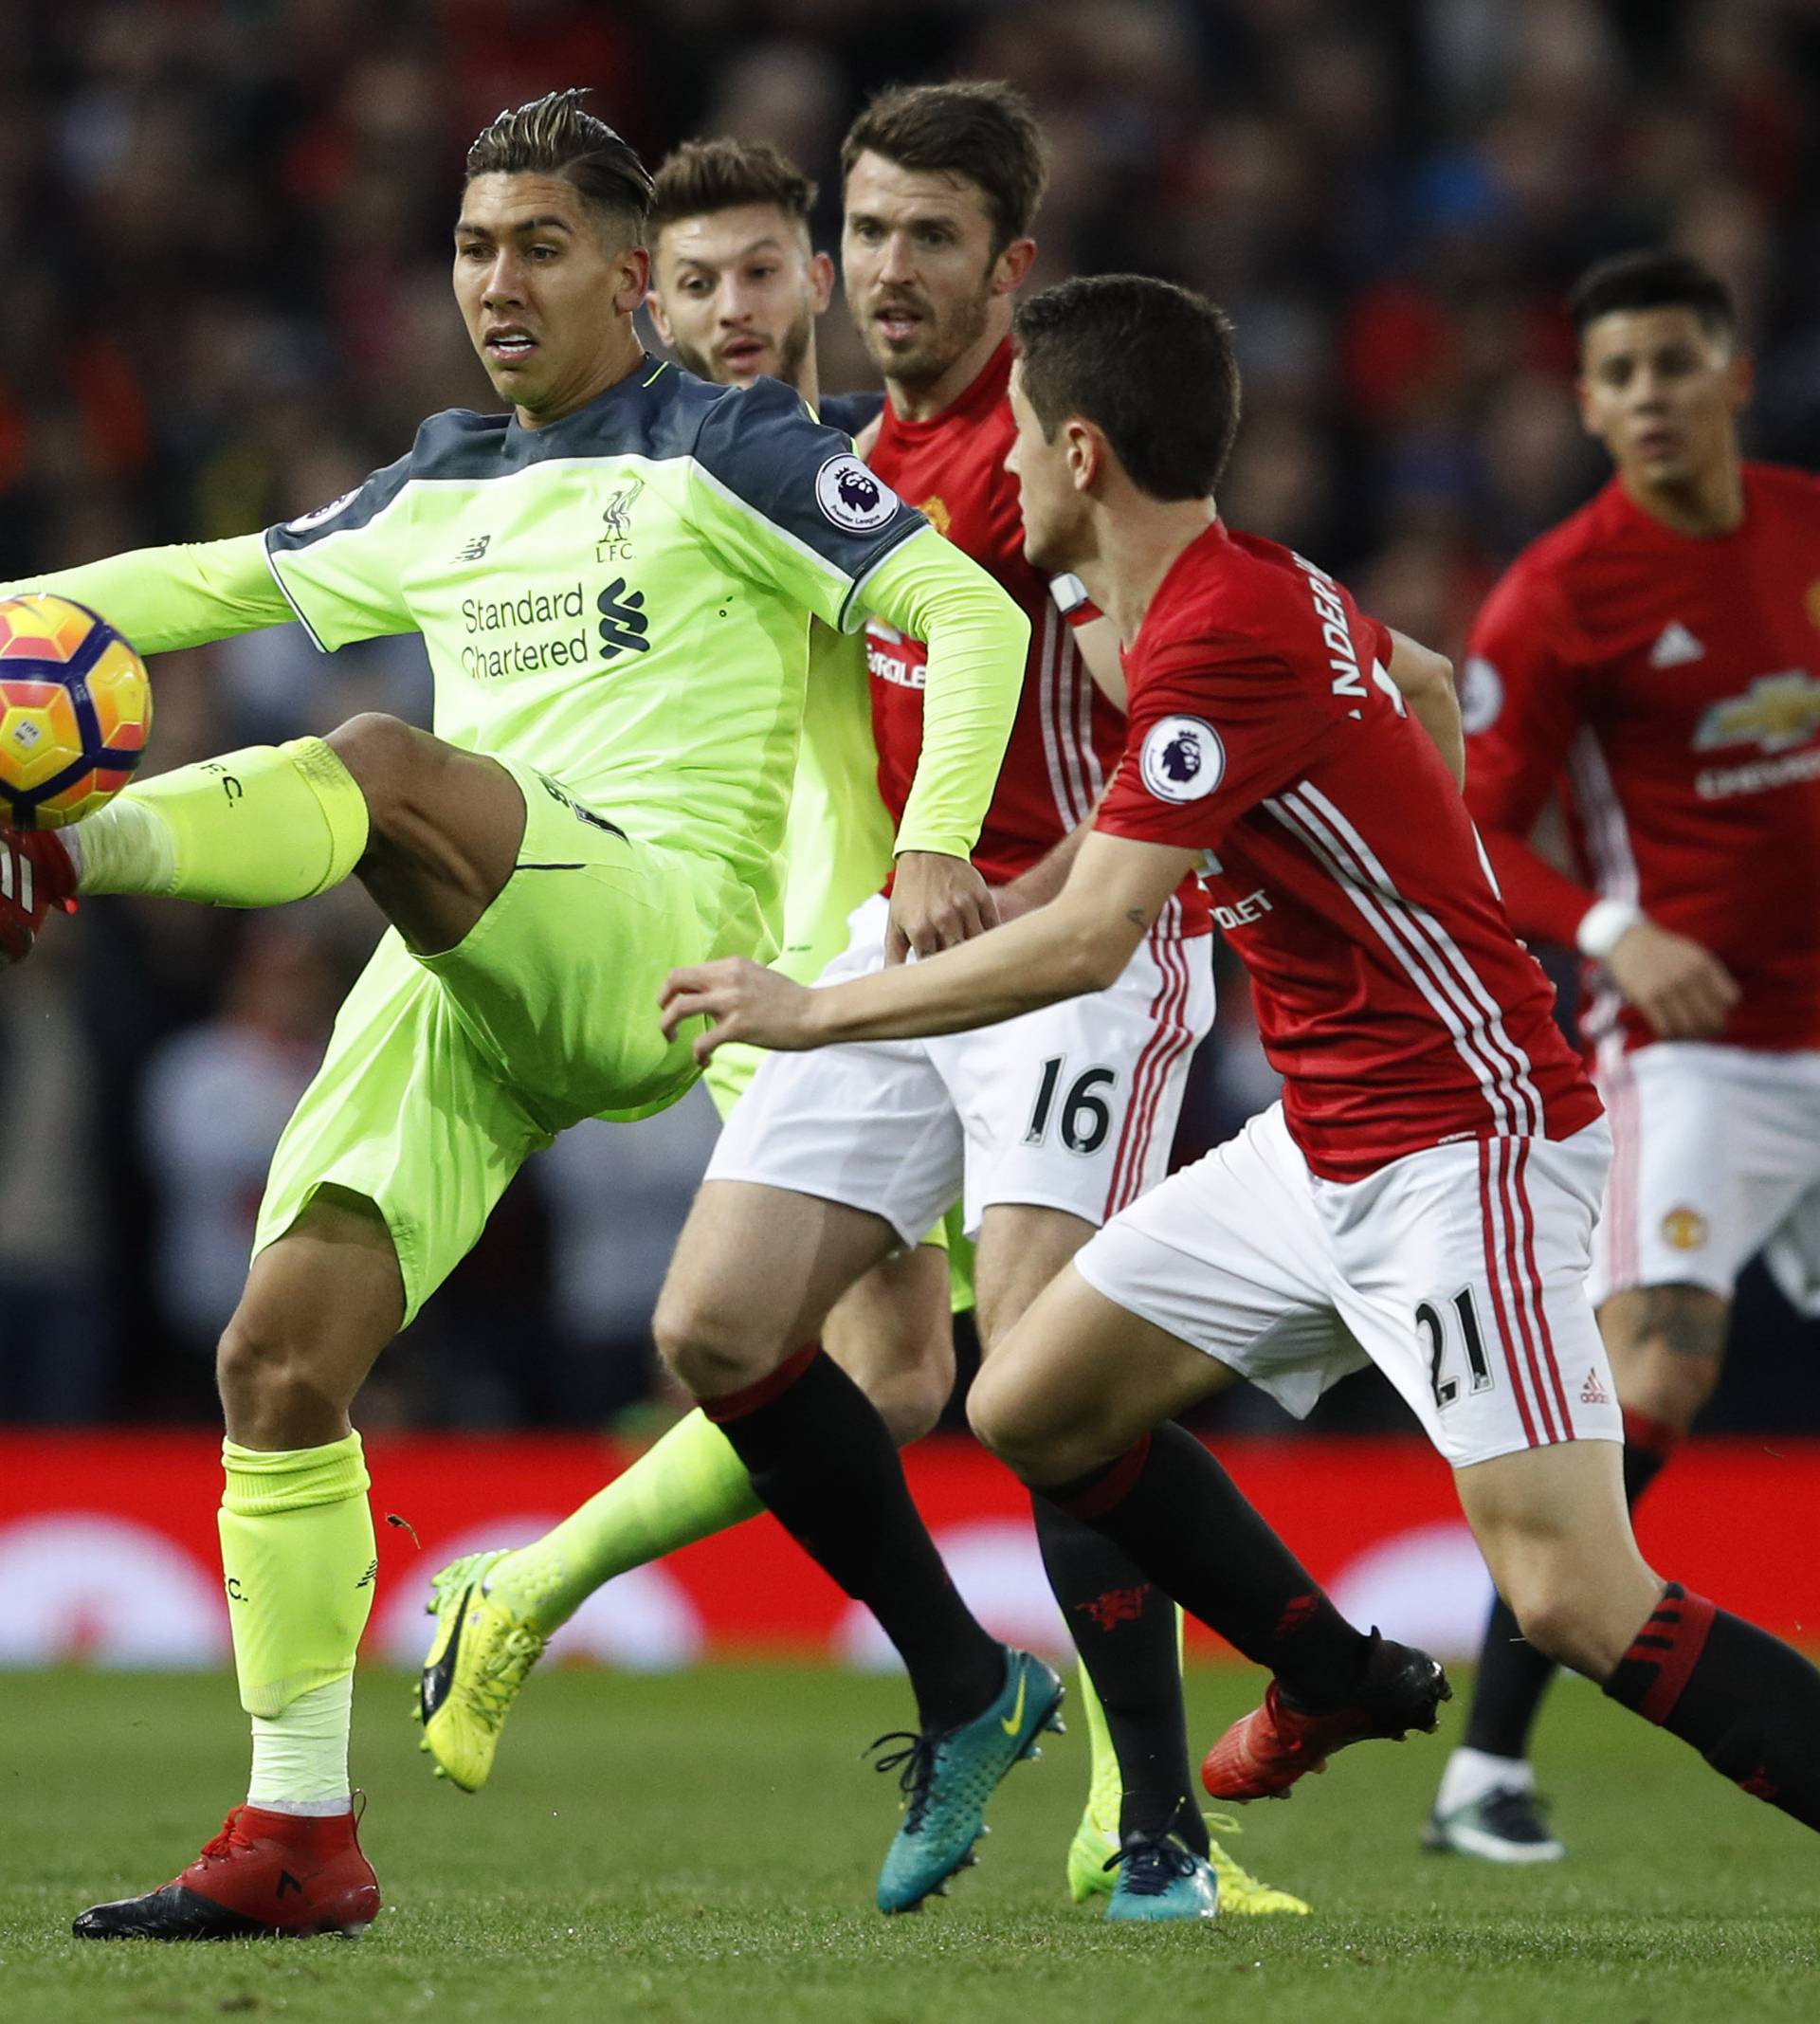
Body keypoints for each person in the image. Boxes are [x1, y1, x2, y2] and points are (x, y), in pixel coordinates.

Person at [0, 88, 1030, 1940]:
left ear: (630, 281)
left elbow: (973, 618)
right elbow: (209, 583)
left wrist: (939, 841)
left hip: (653, 929)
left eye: (541, 247)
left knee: (388, 760)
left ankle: (83, 860)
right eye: (475, 246)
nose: (498, 280)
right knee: (276, 1359)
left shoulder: (732, 449)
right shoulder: (441, 477)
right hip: (465, 947)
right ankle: (297, 1834)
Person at [662, 272, 1820, 1883]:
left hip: (1462, 1141)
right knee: (1032, 1400)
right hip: (1323, 1139)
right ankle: (1334, 1673)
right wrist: (1422, 878)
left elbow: (1088, 941)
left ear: (1075, 454)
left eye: (1012, 442)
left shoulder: (1215, 640)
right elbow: (1416, 691)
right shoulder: (1238, 588)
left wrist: (812, 1013)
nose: (995, 471)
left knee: (1570, 1589)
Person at [415, 109, 1313, 1924]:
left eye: (894, 243)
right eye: (871, 231)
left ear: (986, 268)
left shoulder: (1029, 460)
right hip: (833, 955)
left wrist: (1183, 866)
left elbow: (1195, 654)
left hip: (1049, 937)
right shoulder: (788, 469)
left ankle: (1158, 1822)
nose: (874, 271)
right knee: (793, 1345)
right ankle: (959, 1690)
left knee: (1011, 1373)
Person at [1427, 250, 1820, 1861]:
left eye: (1678, 361)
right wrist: (1611, 936)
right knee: (1653, 1370)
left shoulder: (1805, 529)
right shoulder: (1562, 594)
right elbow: (1475, 828)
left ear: (1731, 373)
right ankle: (1485, 1772)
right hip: (1691, 1056)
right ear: (1588, 406)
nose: (1652, 393)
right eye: (1622, 374)